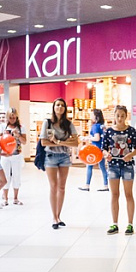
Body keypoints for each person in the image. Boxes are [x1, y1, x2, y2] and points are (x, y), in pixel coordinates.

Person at [101, 105, 136, 235]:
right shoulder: (108, 131)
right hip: (113, 165)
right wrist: (107, 154)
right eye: (117, 115)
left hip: (127, 165)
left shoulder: (131, 131)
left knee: (128, 194)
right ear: (114, 116)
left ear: (126, 116)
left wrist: (130, 155)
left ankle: (130, 224)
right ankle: (115, 223)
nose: (120, 118)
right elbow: (103, 148)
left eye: (122, 116)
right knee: (114, 194)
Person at [40, 98, 79, 229]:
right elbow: (43, 142)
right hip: (51, 156)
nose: (60, 107)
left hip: (64, 157)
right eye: (57, 105)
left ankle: (58, 216)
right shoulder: (47, 122)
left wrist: (57, 142)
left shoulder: (68, 124)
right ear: (54, 107)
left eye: (62, 105)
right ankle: (54, 217)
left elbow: (75, 142)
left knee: (62, 187)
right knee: (53, 186)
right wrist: (64, 142)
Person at [0, 107, 26, 206]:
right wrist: (4, 135)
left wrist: (18, 135)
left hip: (17, 155)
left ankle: (15, 198)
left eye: (14, 117)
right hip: (5, 155)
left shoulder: (21, 127)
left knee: (16, 176)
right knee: (5, 176)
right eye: (10, 117)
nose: (12, 119)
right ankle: (5, 198)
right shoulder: (3, 126)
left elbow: (24, 141)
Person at [79, 108, 109, 192]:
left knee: (89, 166)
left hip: (94, 149)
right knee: (102, 167)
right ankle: (106, 185)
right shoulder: (102, 126)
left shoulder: (95, 126)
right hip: (101, 149)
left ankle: (87, 185)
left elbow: (96, 138)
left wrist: (87, 138)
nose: (90, 116)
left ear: (96, 116)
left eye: (92, 114)